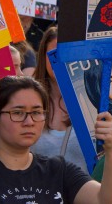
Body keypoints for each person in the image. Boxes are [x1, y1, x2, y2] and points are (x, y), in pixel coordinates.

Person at [0, 76, 112, 203]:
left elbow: (105, 200)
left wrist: (111, 148)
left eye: (37, 112)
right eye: (18, 113)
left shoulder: (58, 170)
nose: (29, 122)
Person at [31, 27, 88, 172]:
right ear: (43, 57)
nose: (61, 60)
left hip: (84, 192)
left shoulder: (92, 101)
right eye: (55, 54)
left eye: (68, 54)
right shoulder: (29, 101)